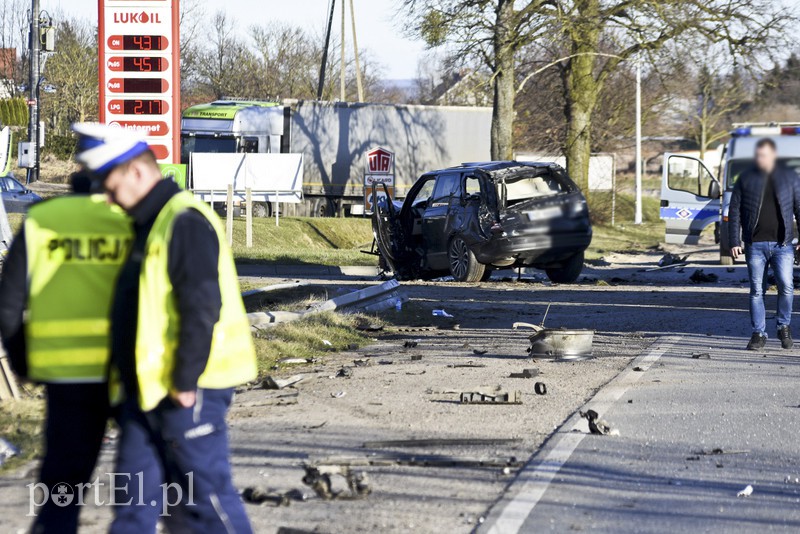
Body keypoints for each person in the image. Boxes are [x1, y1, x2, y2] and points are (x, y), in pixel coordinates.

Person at [71, 123, 257, 533]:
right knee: (134, 509)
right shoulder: (147, 223)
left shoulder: (183, 221)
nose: (105, 195)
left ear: (137, 171)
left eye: (109, 182)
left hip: (187, 390)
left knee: (205, 504)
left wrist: (184, 380)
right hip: (146, 392)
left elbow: (200, 305)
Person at [0, 172, 133, 533]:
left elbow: (9, 304)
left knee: (62, 483)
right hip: (131, 370)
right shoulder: (133, 218)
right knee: (148, 479)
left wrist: (22, 363)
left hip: (66, 375)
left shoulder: (45, 218)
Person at [728, 137, 800, 351]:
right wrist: (734, 240)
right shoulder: (746, 178)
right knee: (756, 290)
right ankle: (758, 333)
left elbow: (799, 207)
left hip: (783, 245)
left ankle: (783, 327)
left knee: (786, 287)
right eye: (758, 155)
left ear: (773, 156)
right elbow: (734, 212)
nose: (761, 159)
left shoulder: (789, 177)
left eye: (765, 155)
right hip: (754, 244)